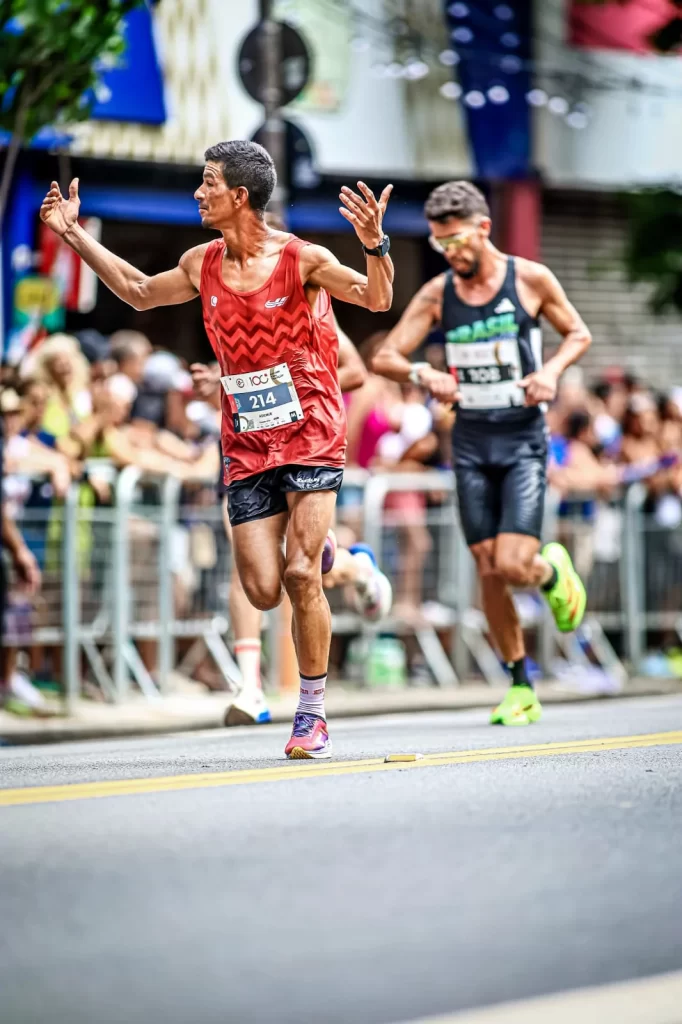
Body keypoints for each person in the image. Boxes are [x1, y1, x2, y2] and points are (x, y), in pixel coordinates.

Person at [40, 139, 393, 757]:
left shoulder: (302, 259)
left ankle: (310, 713)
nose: (198, 193)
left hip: (310, 430)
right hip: (247, 442)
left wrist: (375, 245)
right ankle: (341, 555)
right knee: (261, 590)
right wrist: (72, 235)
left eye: (207, 182)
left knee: (299, 573)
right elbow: (139, 291)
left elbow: (377, 298)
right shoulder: (201, 261)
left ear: (238, 196)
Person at [371, 180, 592, 727]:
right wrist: (426, 374)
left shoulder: (530, 279)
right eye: (442, 244)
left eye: (459, 242)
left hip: (521, 438)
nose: (452, 253)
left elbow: (577, 334)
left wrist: (549, 373)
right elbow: (388, 357)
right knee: (488, 568)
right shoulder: (437, 293)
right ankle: (520, 686)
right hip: (469, 441)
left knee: (515, 563)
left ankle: (549, 573)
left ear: (484, 229)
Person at [191, 309, 393, 727]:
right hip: (245, 449)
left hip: (304, 450)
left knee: (305, 572)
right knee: (248, 572)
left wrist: (297, 386)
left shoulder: (312, 307)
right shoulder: (227, 310)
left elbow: (355, 374)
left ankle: (357, 569)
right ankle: (250, 688)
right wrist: (219, 385)